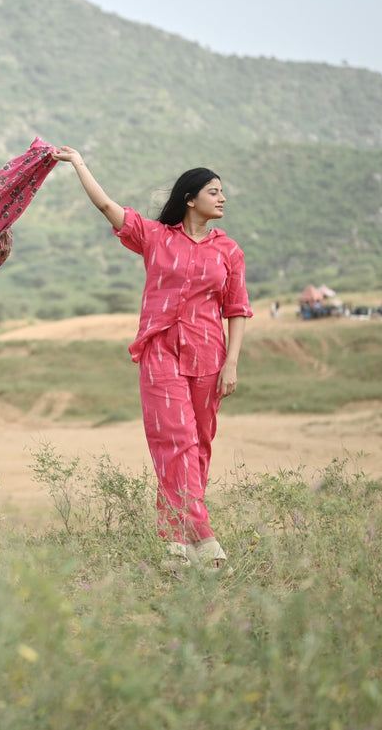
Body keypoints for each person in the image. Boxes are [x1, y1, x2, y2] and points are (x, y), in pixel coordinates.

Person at [51, 147, 252, 571]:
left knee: (198, 445)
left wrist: (232, 363)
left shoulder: (229, 251)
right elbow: (107, 205)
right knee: (174, 439)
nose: (222, 199)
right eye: (214, 192)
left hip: (209, 355)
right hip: (160, 351)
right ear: (190, 198)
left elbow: (237, 309)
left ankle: (175, 544)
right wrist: (80, 163)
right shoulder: (156, 238)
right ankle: (205, 538)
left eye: (223, 193)